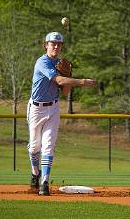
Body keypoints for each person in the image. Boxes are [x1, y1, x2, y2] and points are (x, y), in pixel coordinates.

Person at [27, 31, 96, 196]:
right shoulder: (42, 62)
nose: (56, 47)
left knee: (48, 146)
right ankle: (35, 173)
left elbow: (64, 91)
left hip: (53, 108)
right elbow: (57, 81)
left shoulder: (60, 63)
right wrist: (82, 82)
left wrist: (68, 76)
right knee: (35, 146)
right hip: (36, 108)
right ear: (46, 45)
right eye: (53, 44)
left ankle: (44, 183)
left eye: (59, 44)